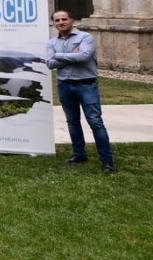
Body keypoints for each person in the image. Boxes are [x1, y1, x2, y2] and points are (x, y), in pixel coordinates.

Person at [47, 9, 115, 172]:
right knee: (72, 122)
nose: (61, 22)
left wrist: (58, 56)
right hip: (64, 85)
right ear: (54, 23)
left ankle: (107, 161)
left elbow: (84, 57)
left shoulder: (85, 37)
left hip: (86, 85)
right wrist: (71, 56)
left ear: (72, 20)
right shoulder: (51, 42)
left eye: (64, 19)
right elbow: (49, 64)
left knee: (95, 122)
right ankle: (79, 154)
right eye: (57, 20)